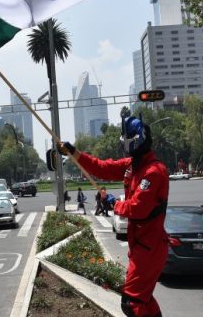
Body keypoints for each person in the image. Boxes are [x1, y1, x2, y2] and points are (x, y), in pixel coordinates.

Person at [58, 113, 169, 317]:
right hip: (140, 245)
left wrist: (114, 203)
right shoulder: (131, 165)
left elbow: (138, 209)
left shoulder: (154, 172)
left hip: (151, 246)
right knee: (142, 300)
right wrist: (73, 153)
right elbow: (100, 167)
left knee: (132, 302)